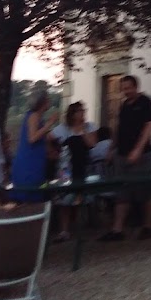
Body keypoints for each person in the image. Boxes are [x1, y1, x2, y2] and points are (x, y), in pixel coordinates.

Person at [98, 74, 151, 241]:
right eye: (123, 89)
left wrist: (138, 149)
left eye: (128, 88)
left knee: (146, 190)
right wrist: (111, 149)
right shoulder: (124, 105)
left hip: (142, 155)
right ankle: (118, 229)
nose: (126, 91)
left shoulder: (146, 102)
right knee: (121, 191)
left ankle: (148, 227)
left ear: (136, 87)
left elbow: (149, 127)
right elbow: (119, 128)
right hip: (121, 155)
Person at [54, 102, 96, 243]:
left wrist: (83, 130)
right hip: (67, 167)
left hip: (83, 166)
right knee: (65, 199)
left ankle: (79, 230)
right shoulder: (63, 129)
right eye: (80, 111)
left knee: (80, 199)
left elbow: (92, 143)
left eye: (83, 110)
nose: (83, 113)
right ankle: (64, 230)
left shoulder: (90, 127)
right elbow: (49, 139)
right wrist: (55, 153)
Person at [9, 89, 59, 202]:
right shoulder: (34, 116)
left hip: (36, 161)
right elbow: (32, 138)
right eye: (48, 99)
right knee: (29, 197)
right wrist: (50, 123)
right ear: (42, 102)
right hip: (29, 163)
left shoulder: (39, 118)